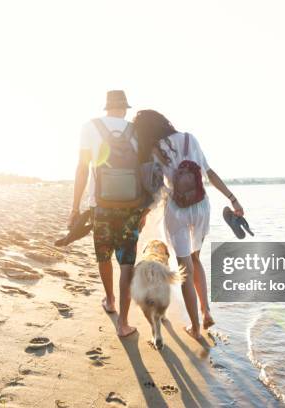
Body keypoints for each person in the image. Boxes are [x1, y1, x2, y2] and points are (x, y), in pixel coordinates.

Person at [134, 110, 244, 339]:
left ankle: (195, 328)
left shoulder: (156, 149)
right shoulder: (189, 138)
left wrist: (144, 212)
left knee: (185, 267)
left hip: (177, 210)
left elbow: (158, 190)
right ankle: (206, 312)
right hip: (202, 207)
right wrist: (232, 199)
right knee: (196, 259)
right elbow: (209, 173)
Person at [68, 90, 142, 337]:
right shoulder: (135, 131)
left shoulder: (90, 127)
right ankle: (123, 324)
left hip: (99, 204)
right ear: (125, 108)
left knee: (103, 255)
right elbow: (144, 171)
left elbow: (82, 168)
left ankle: (109, 300)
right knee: (127, 262)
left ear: (107, 107)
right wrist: (143, 209)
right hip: (130, 206)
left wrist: (74, 206)